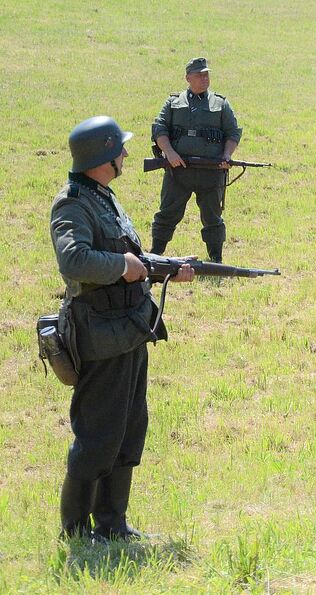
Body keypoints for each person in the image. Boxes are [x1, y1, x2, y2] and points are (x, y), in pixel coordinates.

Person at [51, 116, 194, 540]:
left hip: (129, 329)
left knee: (130, 429)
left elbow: (129, 256)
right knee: (98, 436)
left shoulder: (102, 196)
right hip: (99, 335)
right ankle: (76, 533)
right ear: (102, 157)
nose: (126, 155)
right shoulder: (72, 204)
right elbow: (74, 260)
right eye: (119, 149)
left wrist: (162, 268)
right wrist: (124, 267)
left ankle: (112, 525)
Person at [149, 57, 242, 262]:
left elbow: (233, 133)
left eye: (206, 74)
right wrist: (170, 153)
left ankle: (216, 258)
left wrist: (227, 155)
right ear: (188, 78)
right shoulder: (173, 103)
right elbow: (159, 129)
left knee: (212, 217)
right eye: (199, 74)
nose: (204, 78)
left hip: (211, 173)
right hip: (178, 171)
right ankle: (154, 254)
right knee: (167, 213)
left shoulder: (221, 104)